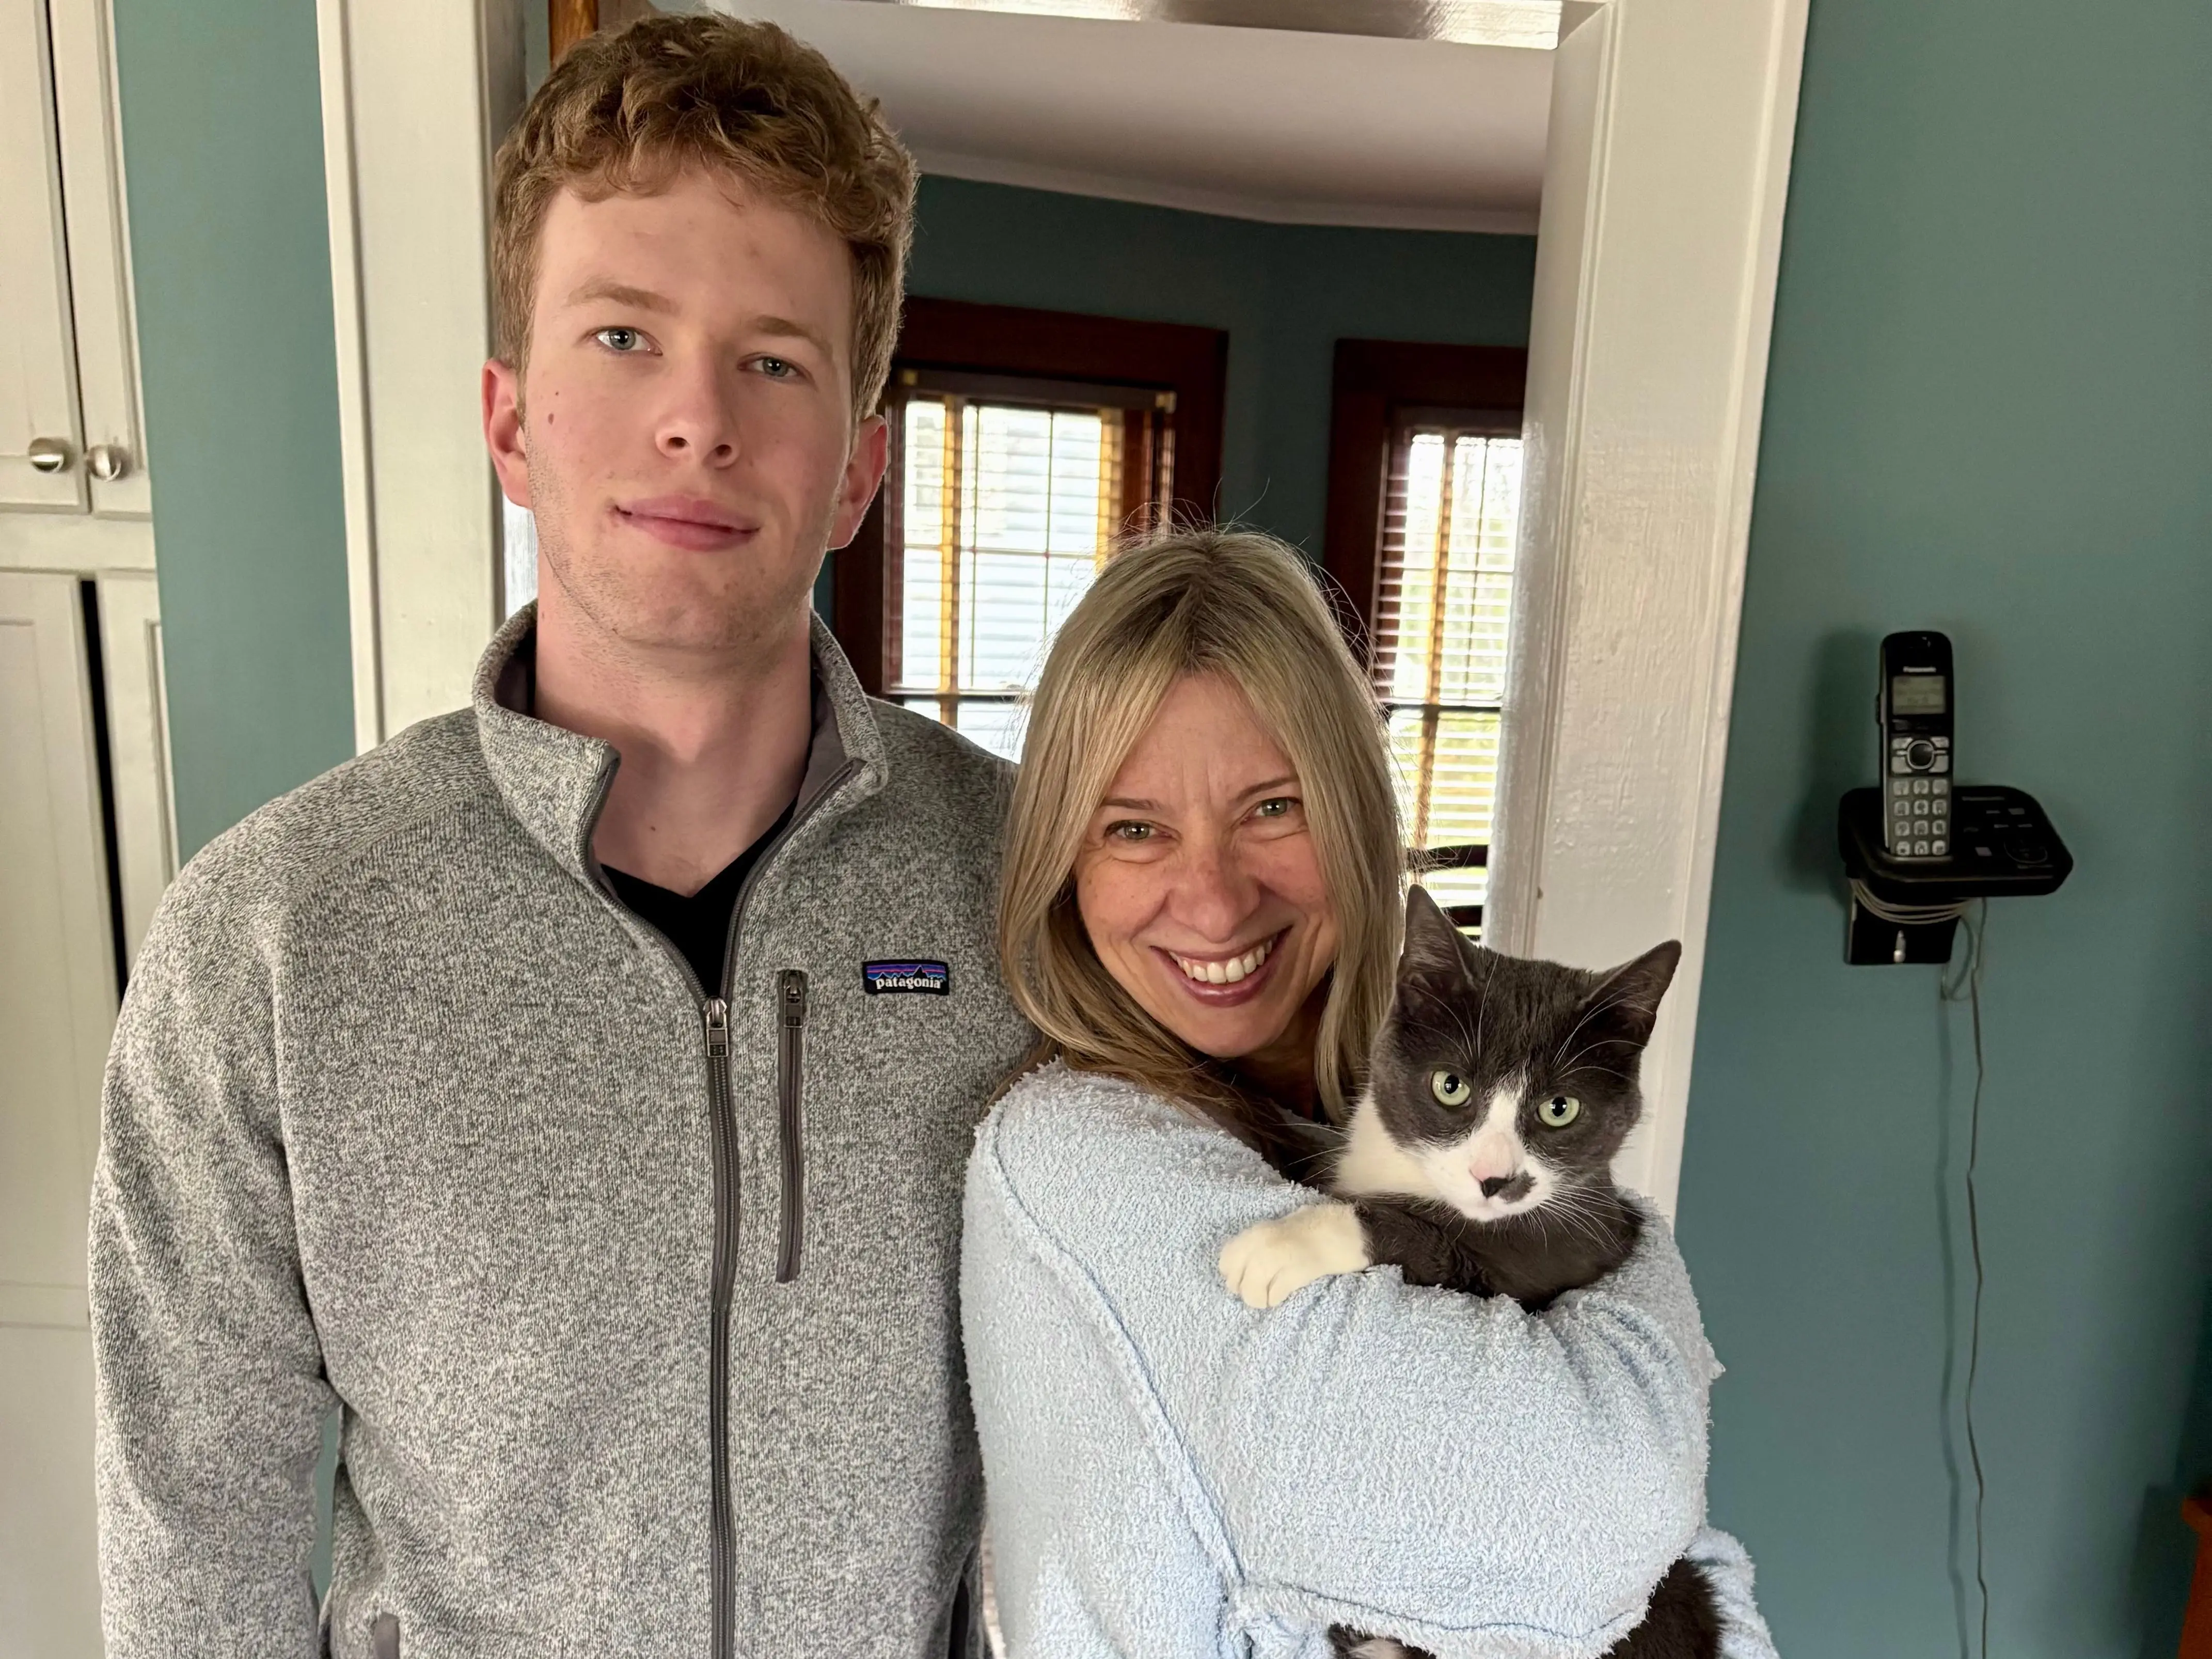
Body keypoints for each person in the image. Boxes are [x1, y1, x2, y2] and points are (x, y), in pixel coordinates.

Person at [88, 17, 1030, 1657]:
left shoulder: (1029, 888)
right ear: (510, 420)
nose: (696, 421)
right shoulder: (268, 939)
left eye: (776, 360)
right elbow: (194, 1536)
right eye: (620, 336)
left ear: (860, 468)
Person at [962, 528, 1776, 1657]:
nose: (1212, 901)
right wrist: (1633, 1329)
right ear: (1064, 860)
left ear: (1354, 812)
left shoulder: (1404, 1091)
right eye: (1135, 828)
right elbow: (1602, 1516)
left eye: (1271, 808)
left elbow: (1680, 1546)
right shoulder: (1081, 1158)